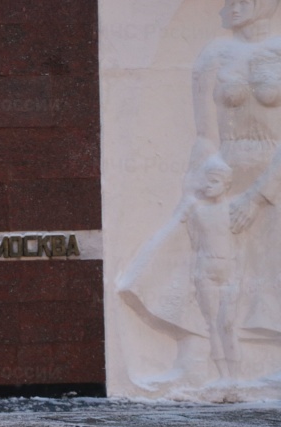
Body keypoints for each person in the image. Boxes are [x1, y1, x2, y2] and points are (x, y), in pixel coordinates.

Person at [119, 0, 281, 380]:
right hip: (224, 175)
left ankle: (268, 362)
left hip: (272, 178)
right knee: (188, 259)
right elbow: (205, 134)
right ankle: (195, 355)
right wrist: (197, 187)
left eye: (243, 0)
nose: (231, 7)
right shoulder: (215, 54)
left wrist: (259, 195)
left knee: (267, 270)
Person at [183, 154, 242, 379]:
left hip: (229, 271)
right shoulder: (197, 211)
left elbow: (241, 248)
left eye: (214, 181)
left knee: (228, 323)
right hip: (205, 271)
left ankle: (236, 376)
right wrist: (191, 279)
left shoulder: (233, 209)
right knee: (212, 325)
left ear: (226, 185)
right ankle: (223, 377)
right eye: (207, 180)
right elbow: (194, 245)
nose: (208, 185)